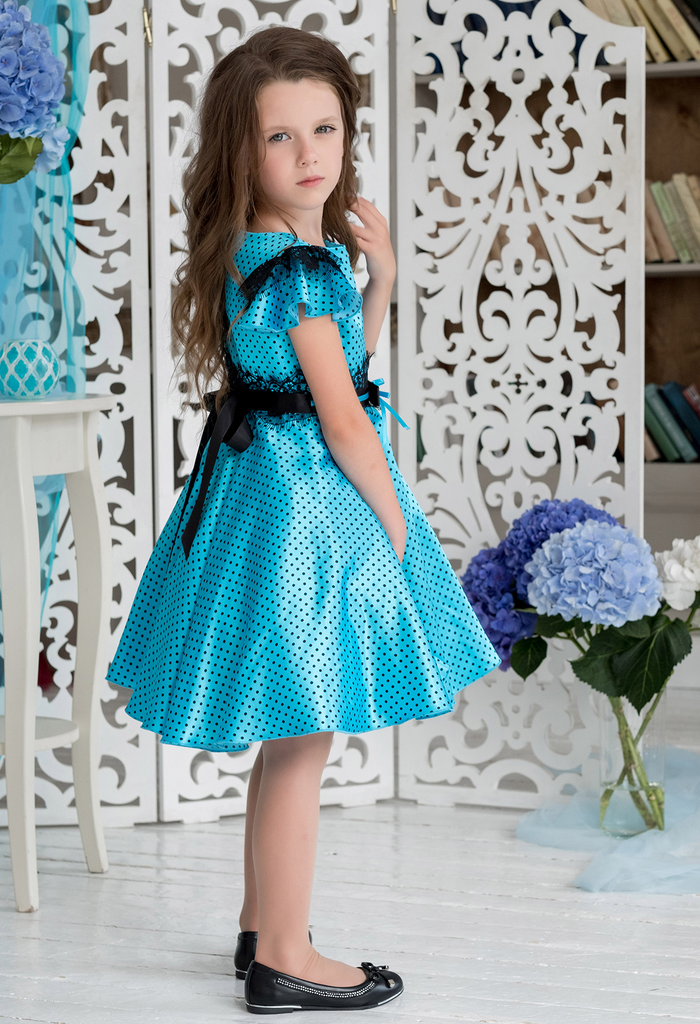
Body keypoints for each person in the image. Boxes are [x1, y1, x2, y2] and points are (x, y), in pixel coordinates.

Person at [107, 25, 500, 1015]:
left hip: (258, 499)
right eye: (280, 136)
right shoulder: (302, 268)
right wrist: (398, 531)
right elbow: (347, 417)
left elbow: (337, 372)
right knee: (305, 736)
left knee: (289, 736)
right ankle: (285, 954)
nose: (309, 153)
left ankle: (260, 929)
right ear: (241, 152)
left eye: (324, 128)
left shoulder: (254, 251)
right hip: (307, 516)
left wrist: (382, 280)